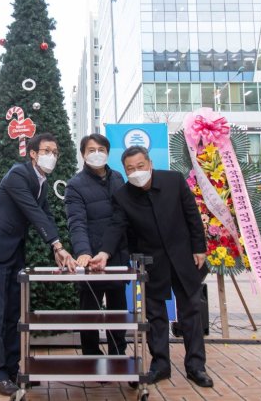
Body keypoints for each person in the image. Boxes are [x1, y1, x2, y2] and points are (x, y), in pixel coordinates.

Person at [90, 146, 213, 388]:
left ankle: (196, 366)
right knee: (156, 315)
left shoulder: (174, 181)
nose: (136, 172)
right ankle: (160, 364)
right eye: (130, 169)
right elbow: (116, 226)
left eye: (140, 166)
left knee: (190, 313)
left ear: (150, 164)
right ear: (124, 171)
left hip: (183, 257)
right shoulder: (123, 196)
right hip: (152, 261)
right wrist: (104, 253)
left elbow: (192, 215)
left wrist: (199, 248)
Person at [0, 133, 77, 397]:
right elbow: (32, 212)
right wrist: (56, 245)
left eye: (55, 152)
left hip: (14, 250)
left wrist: (58, 246)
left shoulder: (41, 181)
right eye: (47, 151)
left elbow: (45, 214)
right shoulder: (18, 175)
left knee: (12, 313)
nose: (52, 156)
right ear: (33, 153)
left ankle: (12, 370)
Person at [65, 133, 128, 356]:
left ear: (108, 153)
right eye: (91, 150)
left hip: (116, 256)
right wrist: (83, 252)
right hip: (91, 260)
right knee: (89, 313)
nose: (96, 154)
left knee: (118, 312)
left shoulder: (118, 178)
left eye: (101, 150)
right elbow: (76, 221)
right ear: (83, 154)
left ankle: (118, 357)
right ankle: (91, 357)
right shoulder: (75, 185)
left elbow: (123, 217)